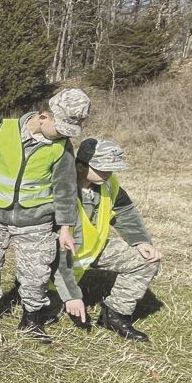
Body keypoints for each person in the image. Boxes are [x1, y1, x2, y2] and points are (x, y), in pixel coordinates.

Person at [0, 88, 91, 343]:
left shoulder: (61, 146)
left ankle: (32, 317)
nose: (66, 134)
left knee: (36, 273)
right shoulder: (4, 131)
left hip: (37, 222)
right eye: (62, 127)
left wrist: (66, 226)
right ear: (44, 117)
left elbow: (66, 188)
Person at [51, 137, 162, 341]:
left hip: (91, 251)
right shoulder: (61, 188)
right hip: (55, 261)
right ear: (80, 166)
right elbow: (56, 248)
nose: (108, 174)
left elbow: (125, 212)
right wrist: (71, 295)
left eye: (112, 169)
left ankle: (114, 315)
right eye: (102, 168)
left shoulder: (109, 185)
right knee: (45, 313)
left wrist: (141, 241)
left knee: (147, 260)